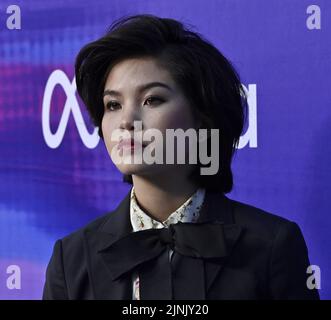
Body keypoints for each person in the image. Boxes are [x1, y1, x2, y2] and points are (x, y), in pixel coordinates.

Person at [42, 14, 319, 300]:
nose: (126, 121)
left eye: (152, 100)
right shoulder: (72, 258)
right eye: (113, 105)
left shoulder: (271, 245)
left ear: (202, 117)